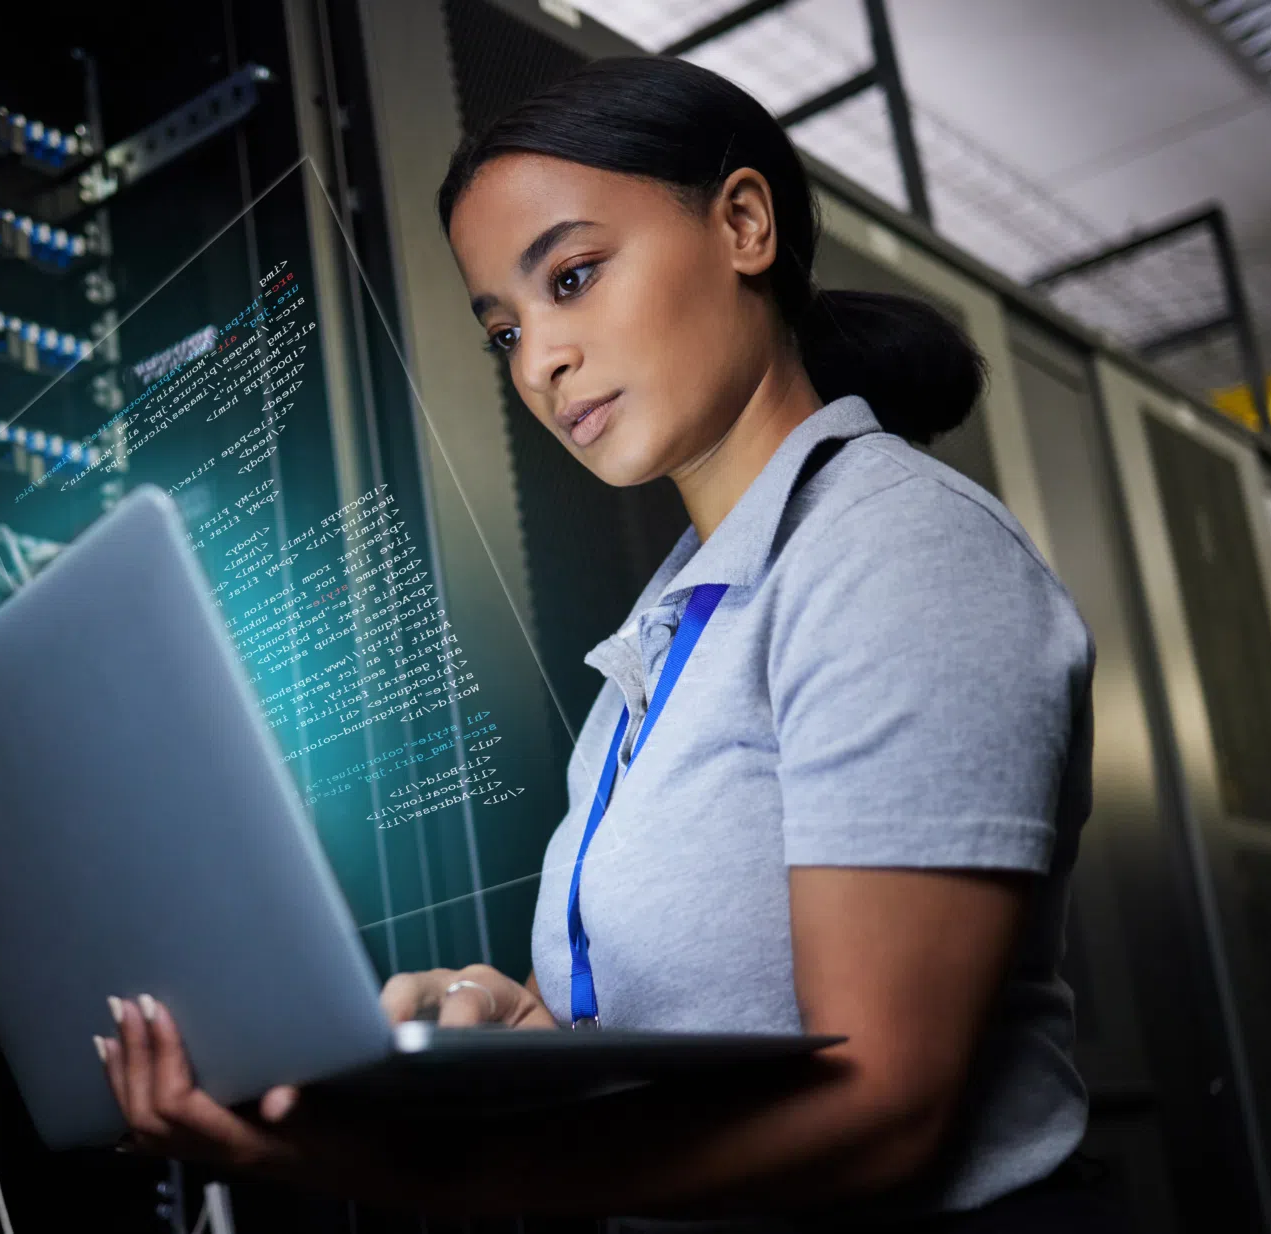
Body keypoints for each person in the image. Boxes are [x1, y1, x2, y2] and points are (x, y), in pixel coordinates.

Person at [92, 56, 1112, 1230]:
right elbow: (694, 1017)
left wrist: (416, 1172)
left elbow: (881, 1105)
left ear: (742, 223)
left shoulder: (897, 555)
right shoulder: (670, 632)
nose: (536, 363)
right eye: (502, 331)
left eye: (572, 277)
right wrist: (506, 1015)